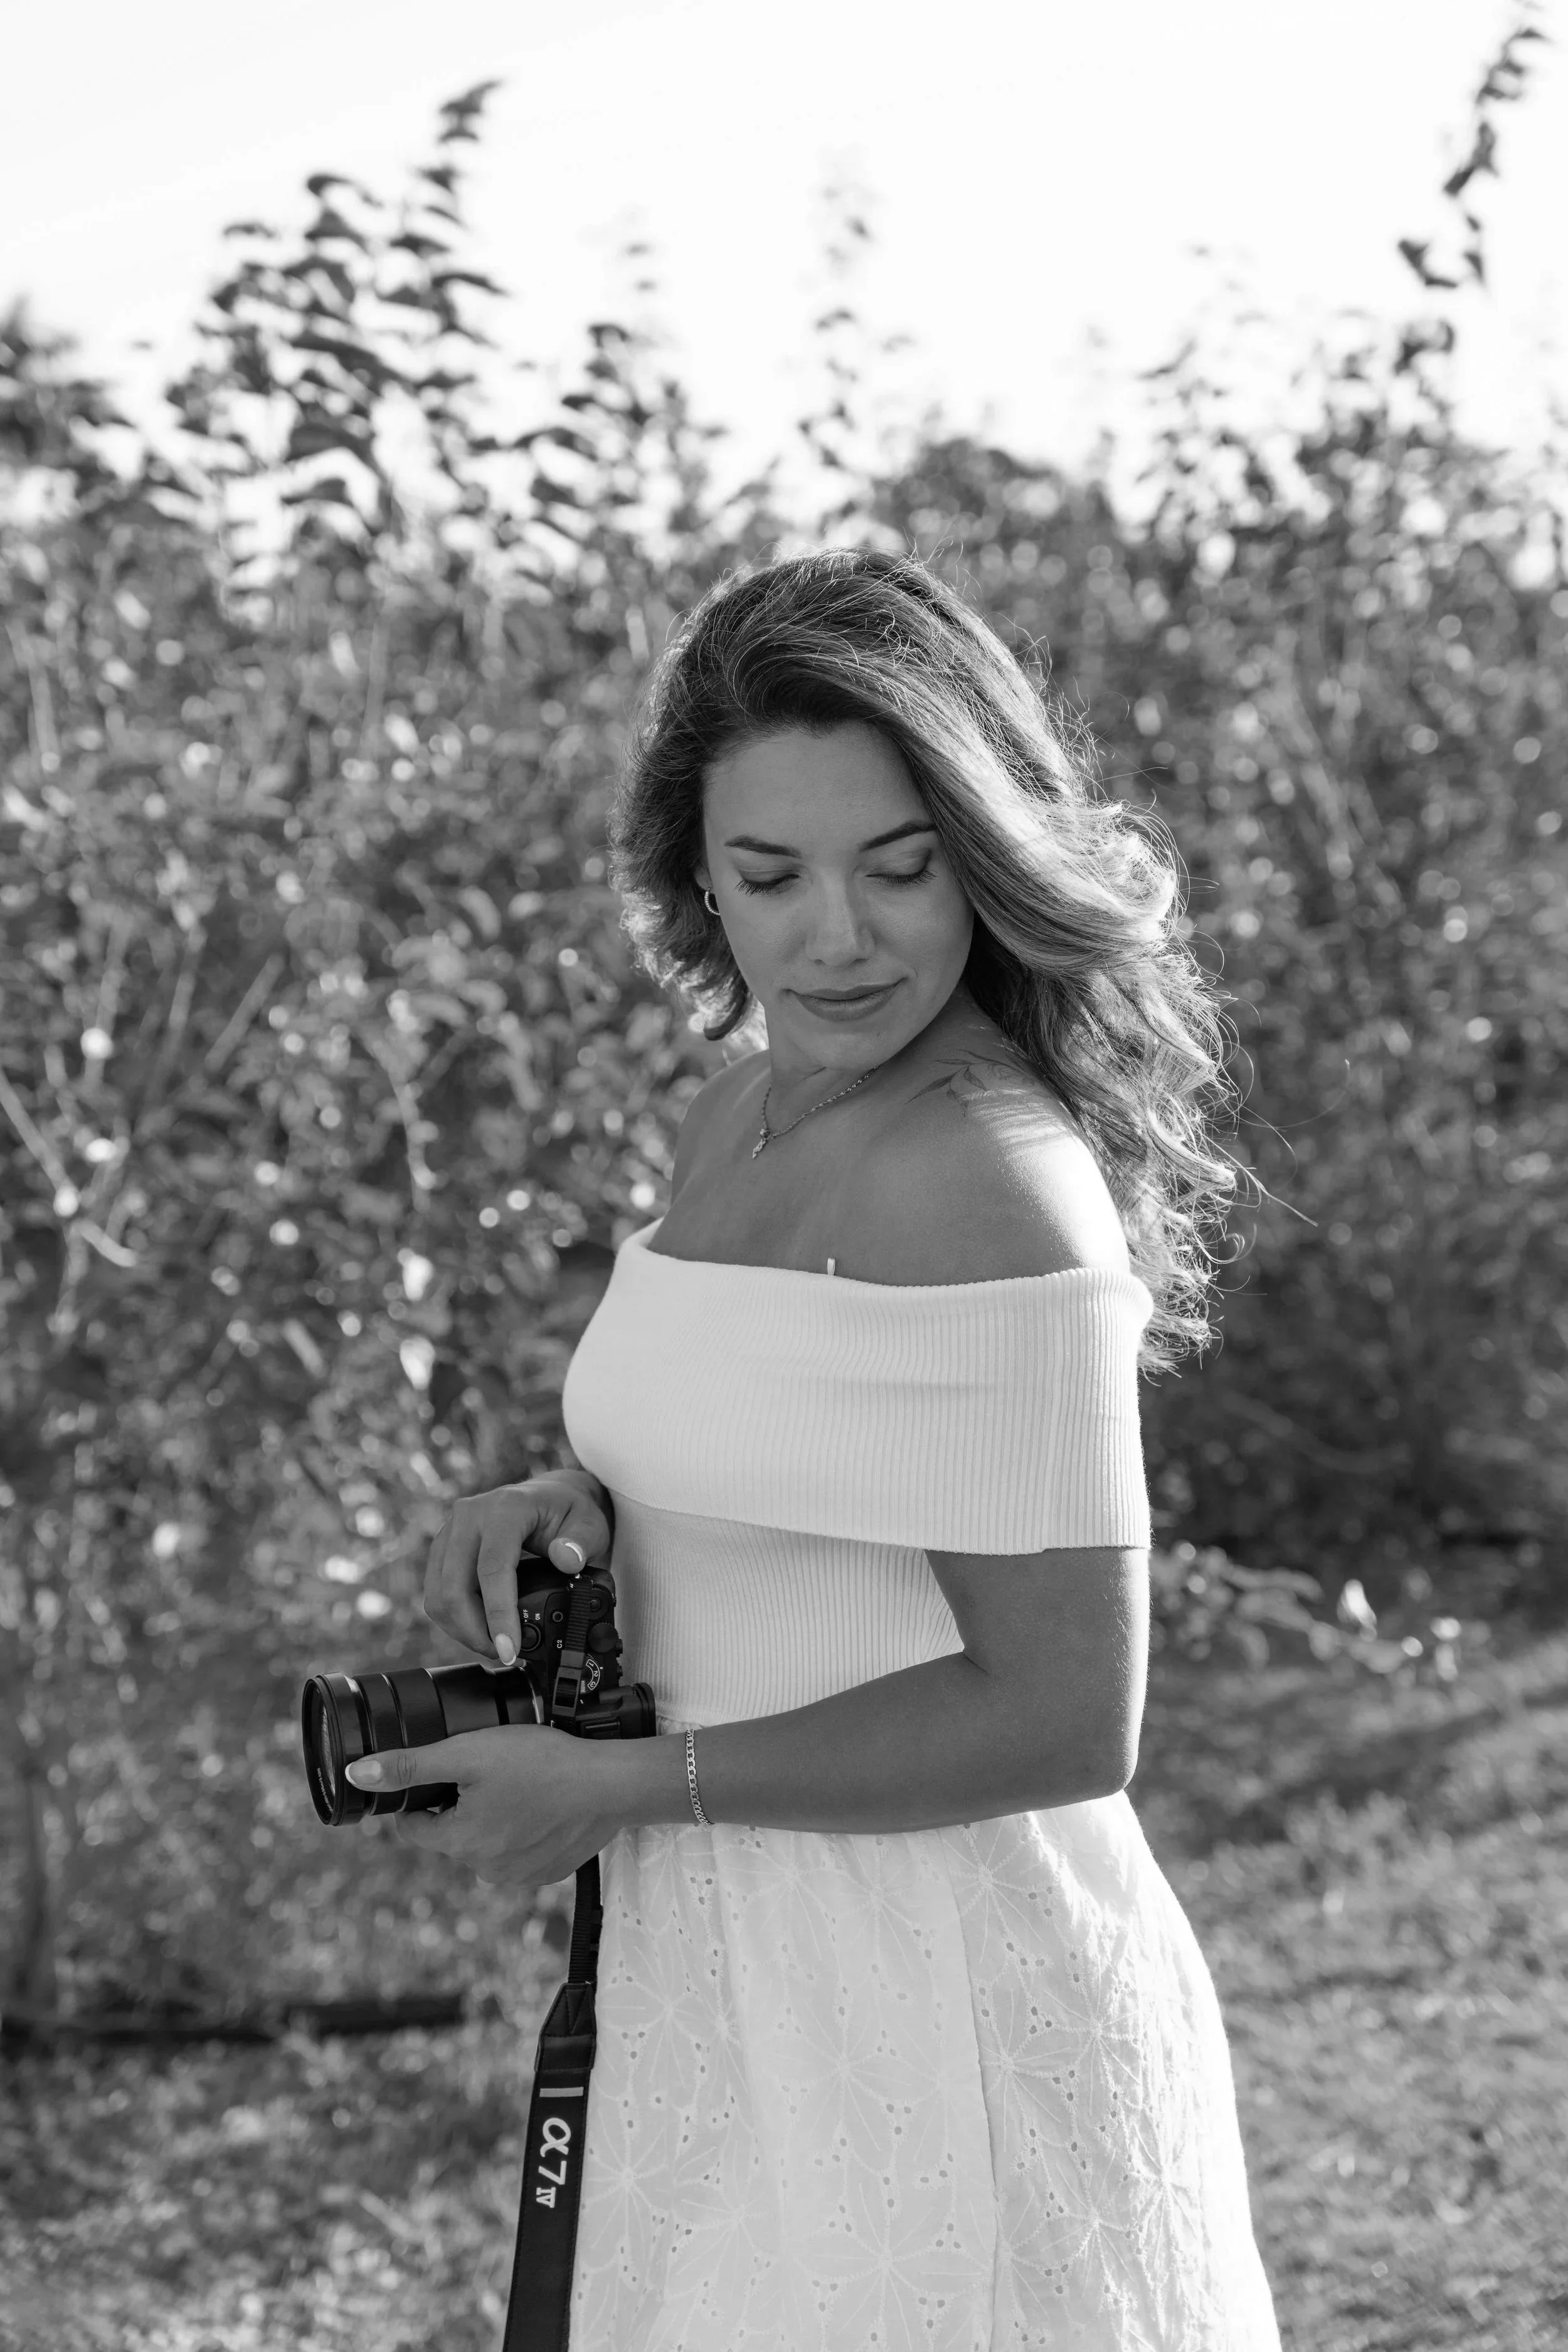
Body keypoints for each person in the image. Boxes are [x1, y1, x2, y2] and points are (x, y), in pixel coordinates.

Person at [344, 548, 1282, 2349]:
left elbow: (1063, 1716)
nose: (836, 937)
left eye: (900, 865)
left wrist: (614, 1786)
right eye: (769, 874)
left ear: (988, 855)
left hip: (928, 1988)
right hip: (725, 1954)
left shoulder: (984, 1180)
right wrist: (581, 1507)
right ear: (693, 875)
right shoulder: (744, 1102)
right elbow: (781, 1441)